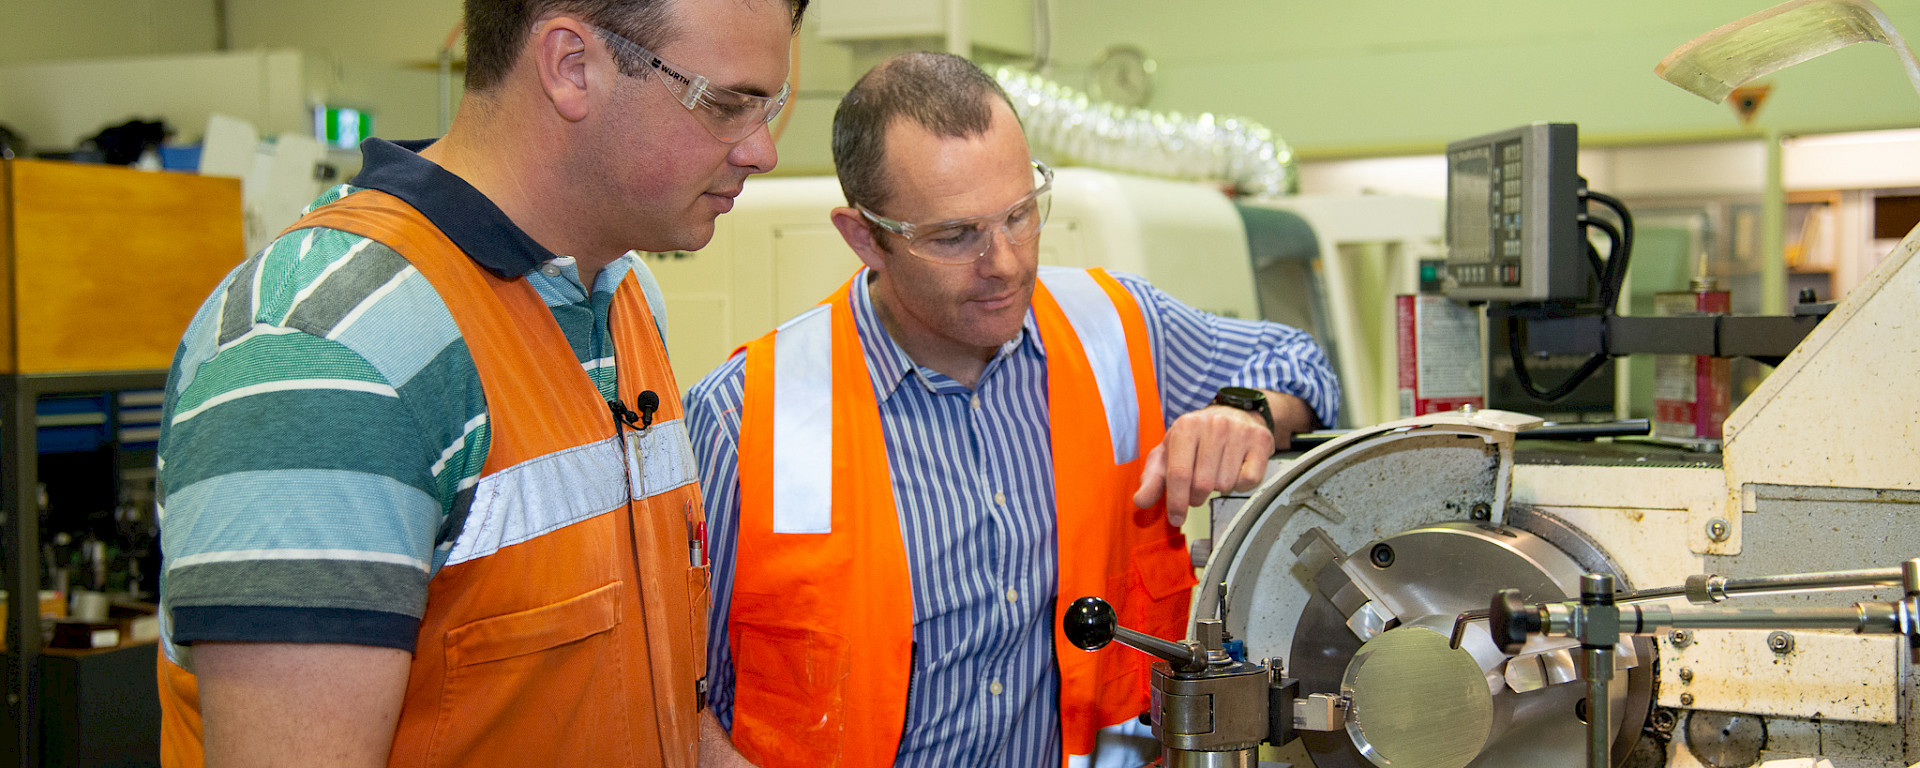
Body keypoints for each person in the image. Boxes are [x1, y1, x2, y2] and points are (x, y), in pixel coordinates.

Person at [154, 0, 807, 765]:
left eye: (771, 108)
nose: (761, 150)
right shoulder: (327, 354)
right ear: (571, 68)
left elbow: (640, 692)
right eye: (728, 104)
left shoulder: (622, 298)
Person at [686, 52, 1341, 767]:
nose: (1004, 262)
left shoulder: (1115, 327)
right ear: (864, 237)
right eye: (954, 235)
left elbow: (1297, 359)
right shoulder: (743, 419)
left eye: (1021, 214)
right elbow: (680, 705)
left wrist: (1244, 413)